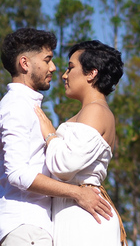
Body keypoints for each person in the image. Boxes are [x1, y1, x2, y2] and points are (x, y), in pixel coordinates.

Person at [0, 28, 113, 246]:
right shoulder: (17, 106)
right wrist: (77, 193)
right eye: (47, 60)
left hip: (38, 226)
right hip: (25, 225)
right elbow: (18, 173)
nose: (54, 68)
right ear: (25, 63)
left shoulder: (29, 106)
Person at [34, 39, 126, 246]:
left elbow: (64, 165)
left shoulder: (96, 110)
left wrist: (50, 134)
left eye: (70, 67)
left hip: (86, 218)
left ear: (92, 73)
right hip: (75, 212)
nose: (64, 75)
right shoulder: (88, 111)